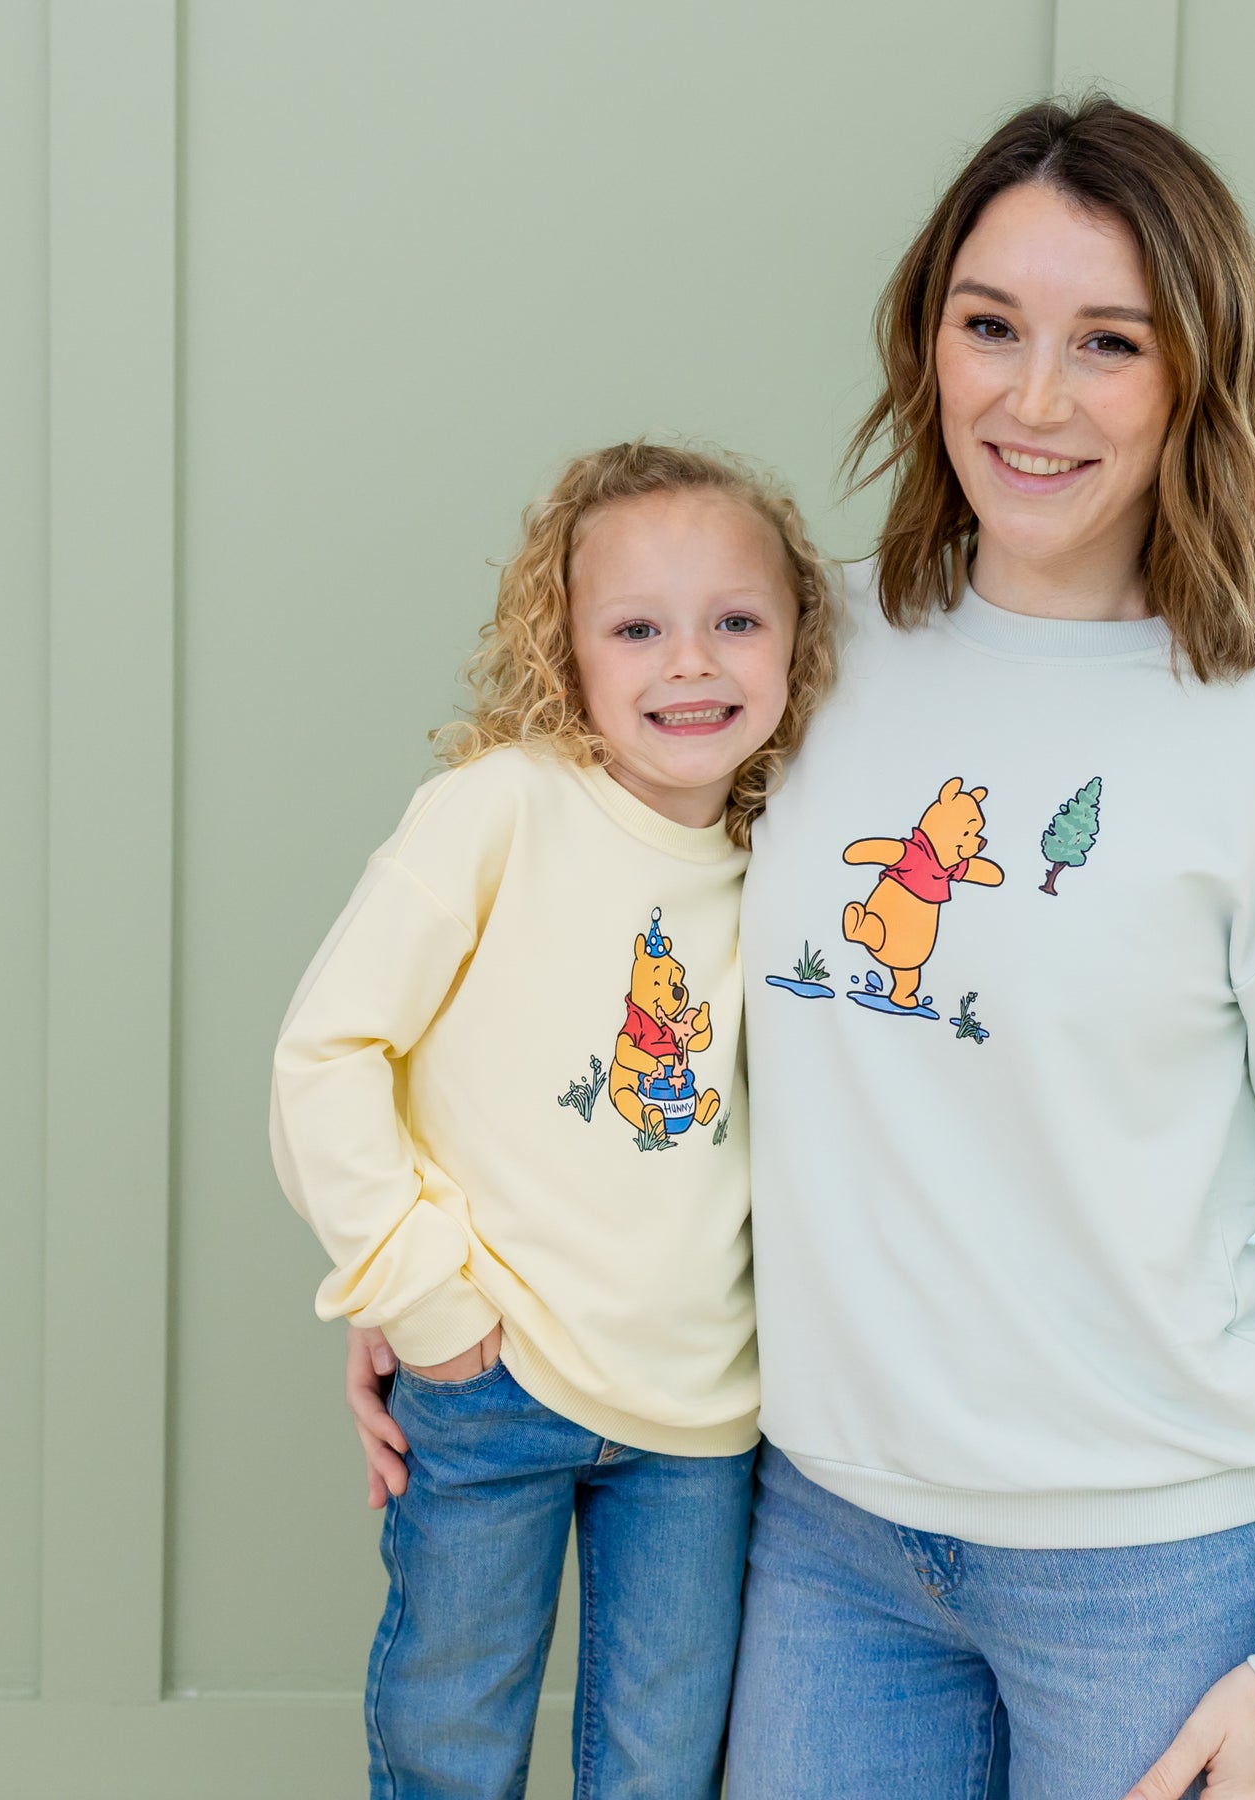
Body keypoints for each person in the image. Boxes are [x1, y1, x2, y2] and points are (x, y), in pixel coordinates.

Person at [351, 95, 1255, 1800]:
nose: (1034, 397)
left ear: (1196, 373)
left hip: (1150, 1571)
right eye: (989, 326)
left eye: (1108, 343)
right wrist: (417, 1256)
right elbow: (582, 946)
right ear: (926, 339)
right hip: (822, 1553)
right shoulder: (796, 649)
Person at [273, 441, 834, 1799]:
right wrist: (421, 1300)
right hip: (492, 1379)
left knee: (660, 1762)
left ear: (797, 642)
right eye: (637, 628)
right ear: (565, 650)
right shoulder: (500, 812)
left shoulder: (793, 854)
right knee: (451, 1736)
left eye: (735, 622)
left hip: (702, 1419)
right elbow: (325, 1051)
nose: (689, 664)